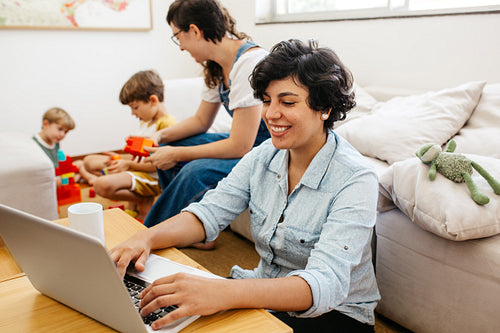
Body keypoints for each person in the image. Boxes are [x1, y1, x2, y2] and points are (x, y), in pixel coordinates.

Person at [110, 39, 380, 333]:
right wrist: (145, 238)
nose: (271, 114)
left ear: (325, 108)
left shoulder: (356, 178)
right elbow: (209, 213)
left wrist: (221, 292)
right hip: (263, 294)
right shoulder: (265, 155)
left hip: (335, 315)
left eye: (287, 102)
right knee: (163, 315)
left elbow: (325, 285)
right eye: (266, 100)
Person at [142, 0, 270, 228]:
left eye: (177, 36)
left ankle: (150, 233)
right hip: (248, 142)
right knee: (170, 146)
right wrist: (160, 138)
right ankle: (185, 227)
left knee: (194, 171)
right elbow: (201, 121)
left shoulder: (249, 63)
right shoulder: (216, 66)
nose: (180, 46)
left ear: (194, 30)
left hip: (269, 148)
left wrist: (178, 155)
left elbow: (240, 146)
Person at [80, 70, 177, 221]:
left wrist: (127, 164)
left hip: (153, 177)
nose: (133, 113)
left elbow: (158, 164)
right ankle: (134, 194)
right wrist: (121, 158)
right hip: (136, 167)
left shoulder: (167, 126)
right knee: (89, 161)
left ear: (153, 100)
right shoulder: (145, 122)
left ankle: (142, 198)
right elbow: (141, 155)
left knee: (101, 185)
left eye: (135, 107)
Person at [33, 107, 78, 185]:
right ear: (45, 124)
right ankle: (78, 177)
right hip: (46, 177)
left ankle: (83, 177)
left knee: (80, 163)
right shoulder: (34, 144)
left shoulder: (55, 141)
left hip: (57, 172)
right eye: (60, 129)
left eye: (65, 132)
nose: (62, 135)